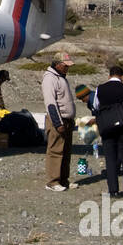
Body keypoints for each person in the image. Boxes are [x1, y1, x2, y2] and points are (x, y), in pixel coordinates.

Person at [91, 65, 123, 198]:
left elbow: (96, 106)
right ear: (122, 77)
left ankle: (113, 190)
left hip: (106, 126)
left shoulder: (100, 88)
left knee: (110, 158)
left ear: (109, 76)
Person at [41, 52, 76, 191]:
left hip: (67, 120)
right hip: (58, 121)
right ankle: (53, 182)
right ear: (57, 64)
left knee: (66, 151)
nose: (67, 68)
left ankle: (63, 180)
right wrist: (58, 123)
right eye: (65, 66)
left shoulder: (61, 77)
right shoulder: (50, 78)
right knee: (55, 151)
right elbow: (50, 103)